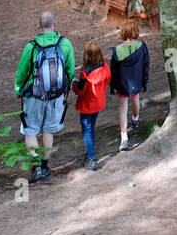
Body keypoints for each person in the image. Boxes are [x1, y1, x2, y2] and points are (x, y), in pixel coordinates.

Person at [14, 10, 74, 182]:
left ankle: (36, 168)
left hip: (35, 95)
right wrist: (64, 88)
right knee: (48, 130)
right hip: (55, 96)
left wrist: (19, 89)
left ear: (40, 26)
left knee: (30, 131)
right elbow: (70, 69)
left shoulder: (31, 47)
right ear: (55, 24)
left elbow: (22, 72)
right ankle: (45, 165)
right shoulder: (65, 44)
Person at [109, 19, 150, 152]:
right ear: (136, 31)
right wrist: (144, 82)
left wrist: (113, 86)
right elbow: (145, 66)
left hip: (122, 84)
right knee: (136, 101)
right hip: (136, 81)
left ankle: (124, 138)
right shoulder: (141, 47)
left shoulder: (117, 51)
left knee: (123, 107)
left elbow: (113, 71)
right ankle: (136, 119)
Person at [71, 40, 111, 171]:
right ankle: (90, 153)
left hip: (87, 105)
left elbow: (80, 90)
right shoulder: (105, 67)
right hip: (98, 102)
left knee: (87, 129)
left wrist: (74, 84)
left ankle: (91, 158)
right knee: (91, 128)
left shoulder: (86, 73)